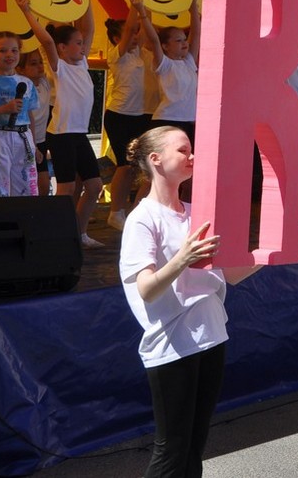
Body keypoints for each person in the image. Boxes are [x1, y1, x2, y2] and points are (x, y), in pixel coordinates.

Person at [119, 125, 260, 477]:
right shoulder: (142, 218)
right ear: (155, 159)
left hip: (210, 336)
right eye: (183, 150)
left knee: (194, 446)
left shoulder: (197, 211)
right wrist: (182, 258)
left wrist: (268, 254)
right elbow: (147, 288)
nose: (192, 156)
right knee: (173, 450)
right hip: (172, 344)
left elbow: (228, 274)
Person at [19, 0, 105, 248]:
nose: (83, 46)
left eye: (82, 43)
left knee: (94, 187)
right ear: (62, 48)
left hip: (78, 135)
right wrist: (26, 11)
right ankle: (55, 235)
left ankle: (78, 234)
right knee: (66, 190)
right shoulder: (61, 67)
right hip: (62, 135)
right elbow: (46, 40)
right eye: (77, 44)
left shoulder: (82, 64)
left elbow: (89, 30)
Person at [104, 0, 151, 229]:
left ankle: (134, 213)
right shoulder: (117, 55)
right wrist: (133, 4)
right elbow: (133, 27)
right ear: (117, 39)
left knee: (144, 169)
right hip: (119, 115)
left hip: (141, 115)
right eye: (130, 34)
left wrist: (147, 2)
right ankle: (116, 212)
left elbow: (142, 27)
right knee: (125, 166)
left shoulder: (139, 54)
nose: (135, 37)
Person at [0, 31, 39, 197]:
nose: (9, 55)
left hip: (23, 138)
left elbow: (29, 116)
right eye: (2, 50)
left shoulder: (26, 83)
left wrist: (35, 143)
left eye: (14, 50)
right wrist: (3, 109)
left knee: (26, 189)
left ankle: (23, 222)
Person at [141, 0, 201, 145]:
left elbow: (196, 33)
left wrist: (193, 6)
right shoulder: (165, 64)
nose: (184, 43)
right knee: (169, 167)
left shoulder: (188, 62)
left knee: (190, 166)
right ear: (165, 46)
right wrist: (142, 13)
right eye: (178, 41)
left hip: (188, 122)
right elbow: (154, 39)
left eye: (184, 39)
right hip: (166, 121)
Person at [16, 49, 52, 196]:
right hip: (24, 141)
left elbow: (47, 52)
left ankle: (41, 214)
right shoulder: (20, 88)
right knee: (24, 183)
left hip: (40, 140)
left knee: (44, 181)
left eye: (40, 63)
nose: (40, 67)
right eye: (33, 64)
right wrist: (33, 145)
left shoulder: (44, 83)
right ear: (20, 69)